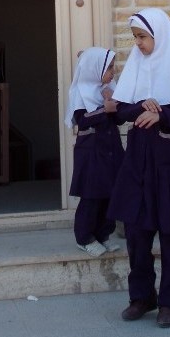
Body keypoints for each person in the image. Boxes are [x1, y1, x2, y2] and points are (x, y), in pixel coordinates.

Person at [107, 8, 170, 328]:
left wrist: (161, 115)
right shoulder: (136, 66)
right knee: (137, 236)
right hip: (138, 167)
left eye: (143, 37)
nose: (138, 43)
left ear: (159, 36)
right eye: (135, 38)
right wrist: (140, 106)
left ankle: (169, 303)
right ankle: (141, 297)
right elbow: (120, 110)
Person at [64, 47, 125, 257]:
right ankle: (85, 238)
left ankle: (103, 234)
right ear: (94, 68)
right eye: (109, 67)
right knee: (92, 195)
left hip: (111, 148)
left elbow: (119, 118)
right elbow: (81, 120)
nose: (113, 72)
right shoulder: (81, 91)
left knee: (110, 193)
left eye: (113, 67)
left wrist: (115, 104)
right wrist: (104, 109)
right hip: (91, 151)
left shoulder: (110, 89)